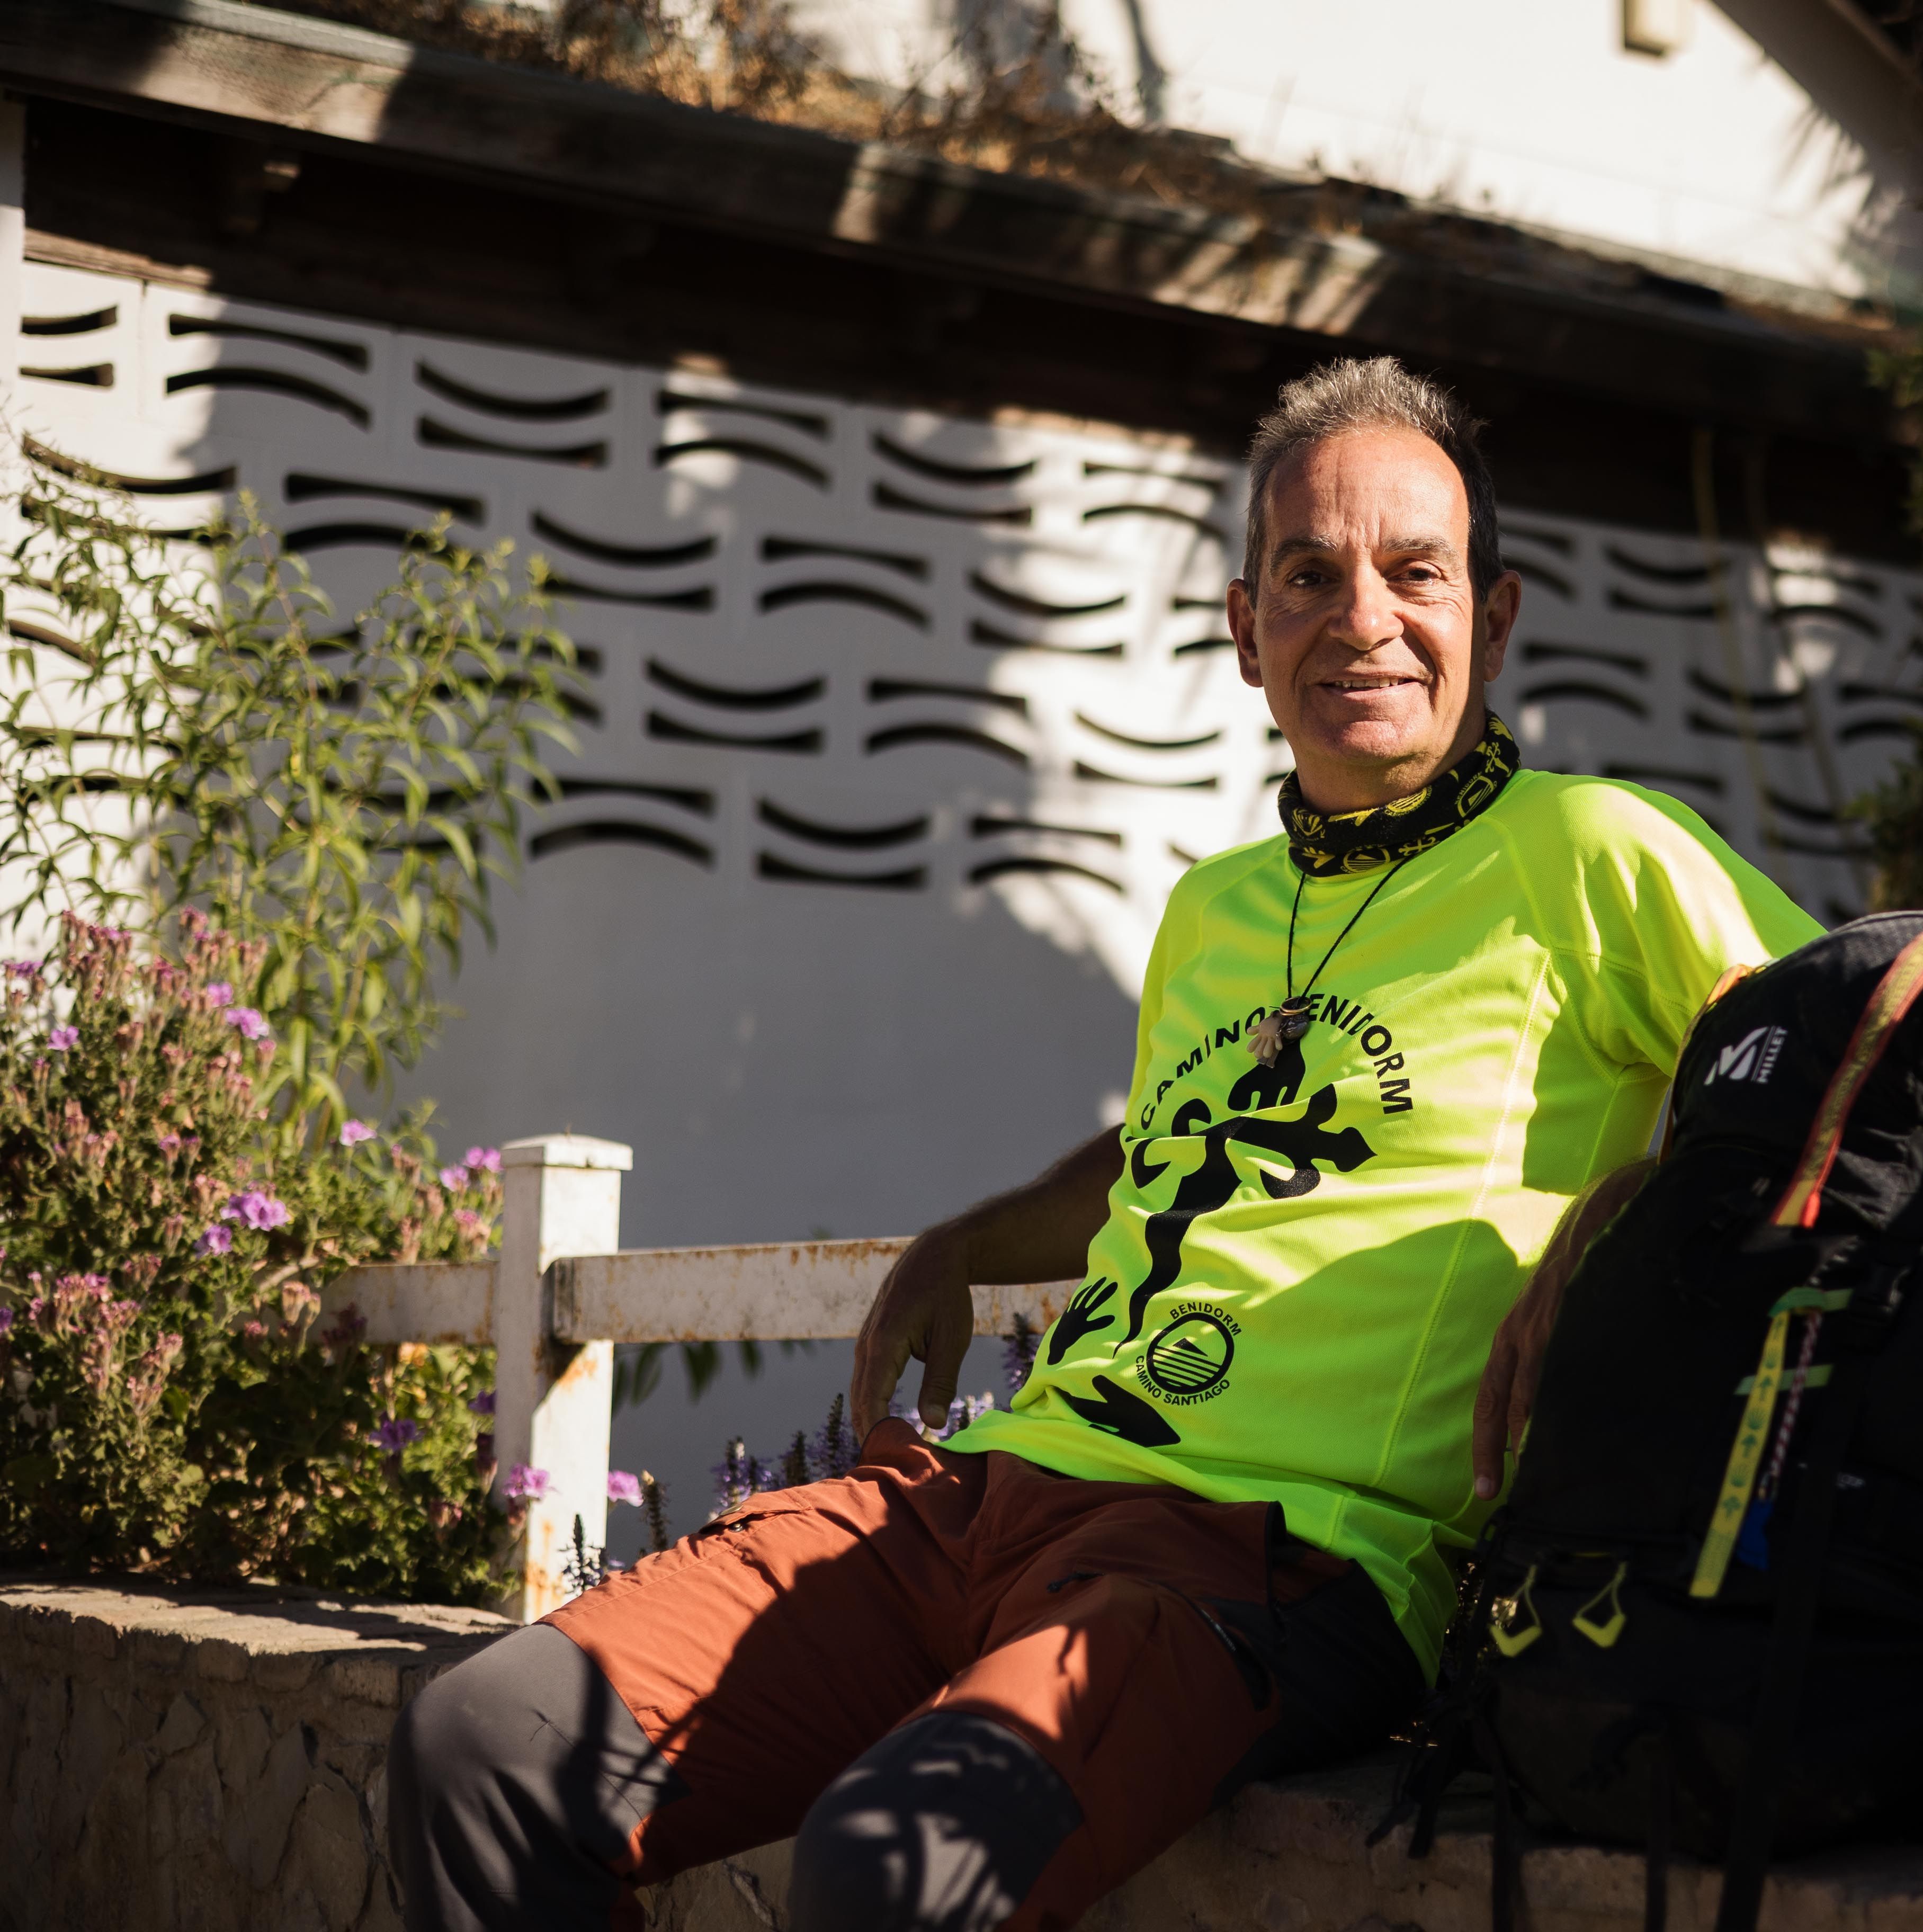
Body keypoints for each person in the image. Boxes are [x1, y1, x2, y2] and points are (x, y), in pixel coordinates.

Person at [388, 357, 1824, 1932]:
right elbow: (1180, 1145)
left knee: (895, 1863)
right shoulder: (1216, 906)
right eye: (1309, 576)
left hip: (1277, 1556)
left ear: (1496, 611)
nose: (1363, 619)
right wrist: (981, 1240)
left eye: (1418, 573)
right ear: (1245, 630)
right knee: (487, 1744)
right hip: (996, 1490)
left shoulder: (1595, 850)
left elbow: (1863, 1053)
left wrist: (1632, 1209)